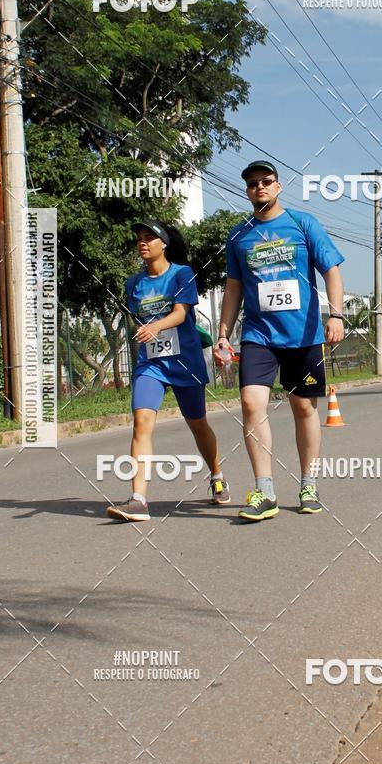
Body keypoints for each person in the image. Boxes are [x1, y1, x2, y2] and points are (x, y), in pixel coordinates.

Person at [214, 160, 345, 522]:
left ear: (279, 186)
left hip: (303, 335)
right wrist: (223, 334)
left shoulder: (303, 224)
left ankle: (308, 483)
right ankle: (265, 491)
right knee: (250, 402)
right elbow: (233, 288)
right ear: (247, 191)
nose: (260, 187)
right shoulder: (239, 236)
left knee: (303, 408)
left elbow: (331, 269)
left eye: (266, 181)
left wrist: (336, 315)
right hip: (258, 335)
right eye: (253, 183)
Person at [107, 219, 229, 522]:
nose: (142, 243)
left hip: (184, 361)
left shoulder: (181, 274)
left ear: (164, 244)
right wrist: (147, 330)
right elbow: (138, 318)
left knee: (198, 424)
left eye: (149, 237)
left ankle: (217, 475)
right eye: (139, 238)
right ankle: (138, 500)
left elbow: (180, 313)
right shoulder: (133, 283)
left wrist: (154, 327)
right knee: (141, 422)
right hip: (151, 363)